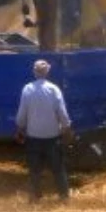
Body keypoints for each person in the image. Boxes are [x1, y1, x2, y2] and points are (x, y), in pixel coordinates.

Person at [15, 59, 73, 203]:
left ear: (34, 72)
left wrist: (20, 127)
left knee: (35, 170)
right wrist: (66, 128)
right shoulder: (54, 89)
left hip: (34, 137)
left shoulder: (27, 89)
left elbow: (22, 114)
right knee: (58, 169)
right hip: (52, 137)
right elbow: (62, 113)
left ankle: (35, 197)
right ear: (47, 72)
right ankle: (64, 196)